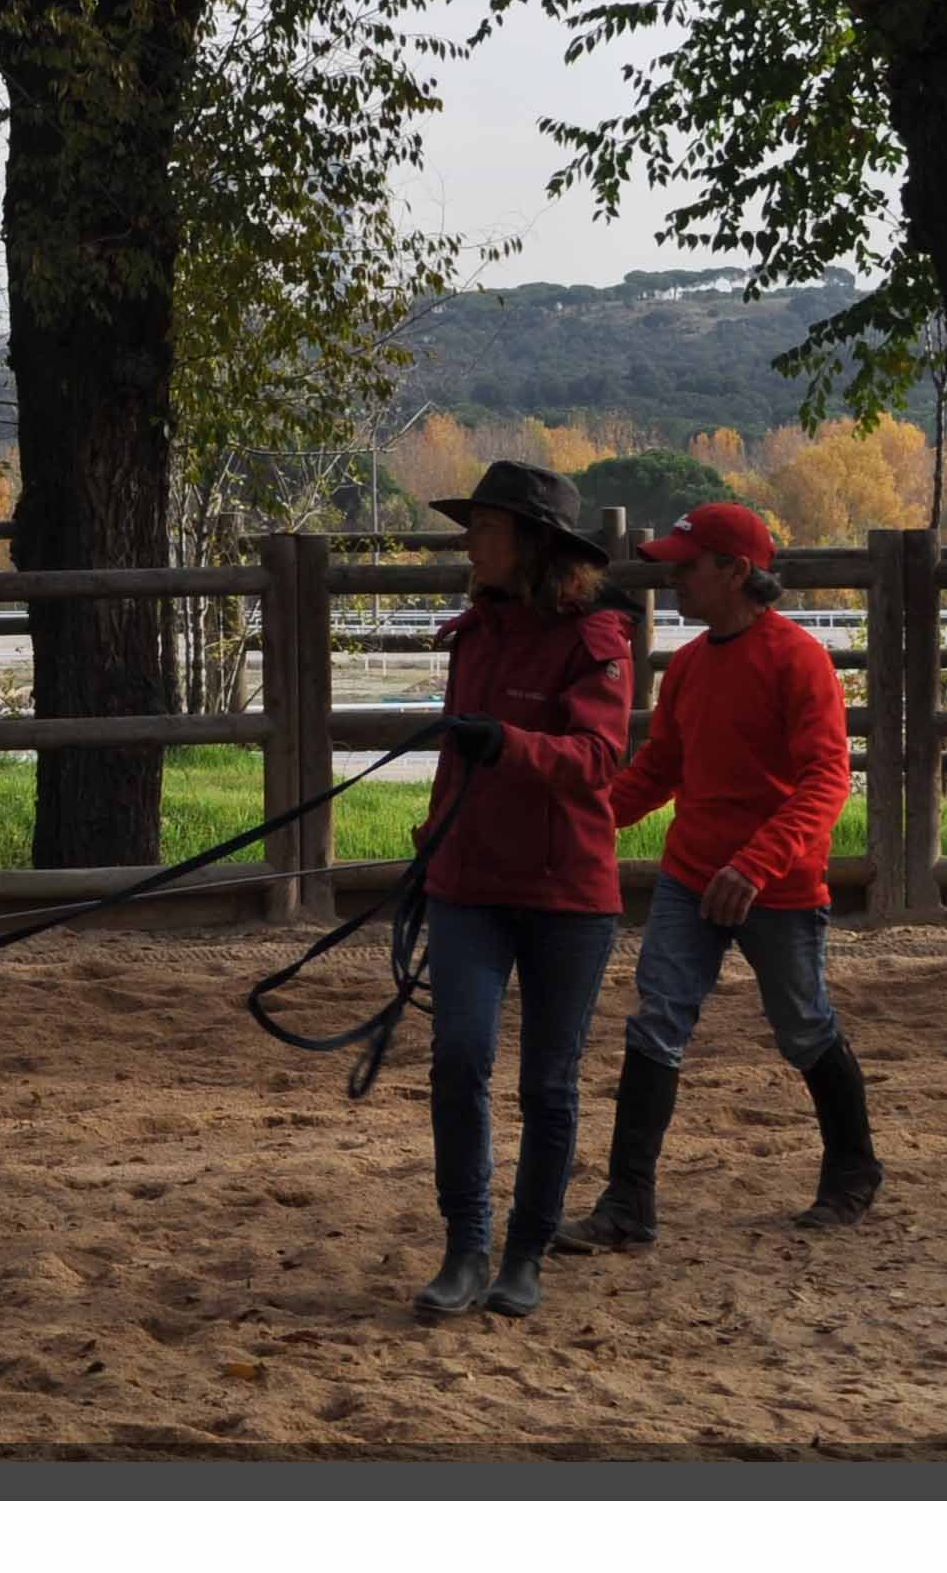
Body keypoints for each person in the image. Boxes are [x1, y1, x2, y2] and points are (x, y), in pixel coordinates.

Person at [563, 502, 884, 1249]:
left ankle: (853, 1170)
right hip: (691, 874)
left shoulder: (798, 659)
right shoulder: (691, 667)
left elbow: (827, 780)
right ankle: (628, 1204)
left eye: (688, 564)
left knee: (803, 1027)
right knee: (657, 1019)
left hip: (777, 883)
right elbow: (662, 769)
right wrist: (584, 821)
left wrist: (756, 862)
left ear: (737, 572)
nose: (673, 577)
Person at [407, 459, 637, 1320]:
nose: (472, 543)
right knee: (459, 1056)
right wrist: (434, 839)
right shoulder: (472, 636)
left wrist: (510, 745)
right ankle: (465, 1245)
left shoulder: (595, 643)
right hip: (467, 882)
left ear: (532, 544)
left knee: (549, 1082)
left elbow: (597, 762)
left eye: (488, 529)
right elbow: (454, 759)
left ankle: (526, 1253)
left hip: (566, 893)